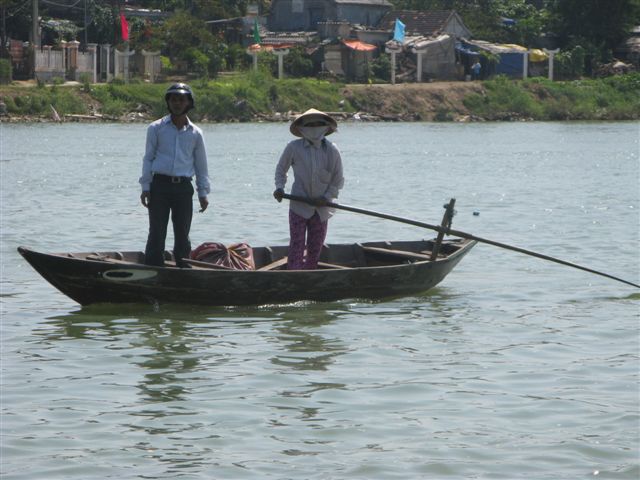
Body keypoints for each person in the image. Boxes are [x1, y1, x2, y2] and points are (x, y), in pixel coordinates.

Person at [139, 83, 210, 268]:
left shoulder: (195, 133)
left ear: (188, 103)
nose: (177, 103)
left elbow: (201, 166)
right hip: (159, 186)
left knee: (182, 234)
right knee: (156, 233)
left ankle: (183, 272)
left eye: (181, 99)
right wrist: (146, 187)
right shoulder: (156, 128)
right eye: (173, 100)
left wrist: (203, 193)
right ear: (168, 102)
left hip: (183, 188)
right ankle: (153, 270)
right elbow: (148, 158)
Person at [273, 108, 344, 270]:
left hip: (322, 208)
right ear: (302, 128)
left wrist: (326, 197)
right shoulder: (293, 147)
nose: (314, 128)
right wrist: (279, 188)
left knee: (315, 247)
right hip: (299, 205)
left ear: (325, 127)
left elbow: (337, 179)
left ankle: (310, 275)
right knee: (297, 245)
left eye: (318, 124)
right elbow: (281, 170)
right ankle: (294, 275)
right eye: (310, 124)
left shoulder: (332, 150)